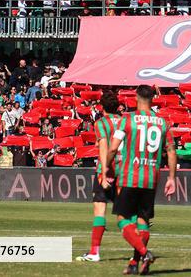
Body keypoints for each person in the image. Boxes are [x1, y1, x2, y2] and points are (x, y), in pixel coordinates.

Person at [106, 85, 177, 275]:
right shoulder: (162, 122)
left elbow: (113, 147)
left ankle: (145, 254)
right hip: (151, 179)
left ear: (136, 97)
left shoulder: (127, 119)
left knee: (122, 219)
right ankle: (134, 263)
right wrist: (172, 178)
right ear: (153, 98)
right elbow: (171, 151)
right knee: (142, 220)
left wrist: (106, 167)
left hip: (130, 177)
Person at [76, 89, 123, 263]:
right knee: (125, 213)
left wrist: (104, 172)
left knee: (99, 211)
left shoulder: (101, 123)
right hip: (124, 170)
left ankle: (94, 252)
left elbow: (103, 147)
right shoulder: (125, 121)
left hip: (107, 169)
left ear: (102, 107)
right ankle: (141, 249)